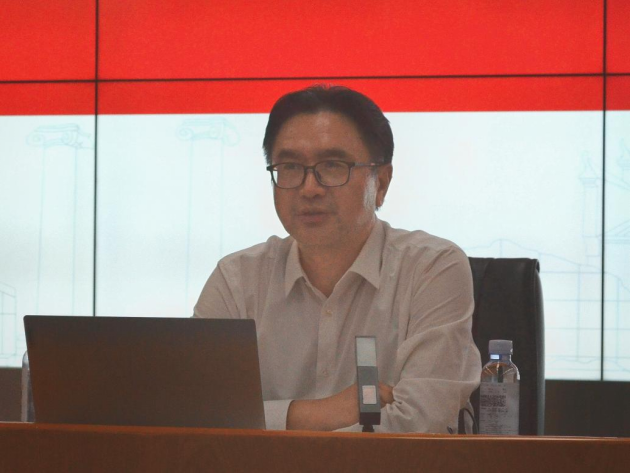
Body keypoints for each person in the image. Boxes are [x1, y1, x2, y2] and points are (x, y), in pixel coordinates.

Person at [194, 85, 481, 432]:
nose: (309, 188)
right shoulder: (236, 279)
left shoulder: (432, 268)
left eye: (332, 166)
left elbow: (420, 426)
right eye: (290, 167)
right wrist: (318, 413)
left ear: (382, 183)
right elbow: (197, 415)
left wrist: (267, 422)